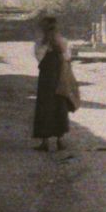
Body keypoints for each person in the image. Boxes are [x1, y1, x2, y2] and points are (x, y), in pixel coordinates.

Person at [32, 13, 76, 152]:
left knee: (49, 106)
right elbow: (67, 57)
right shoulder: (59, 42)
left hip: (50, 78)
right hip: (55, 77)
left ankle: (49, 141)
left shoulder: (43, 43)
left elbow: (39, 57)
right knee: (56, 106)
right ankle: (56, 141)